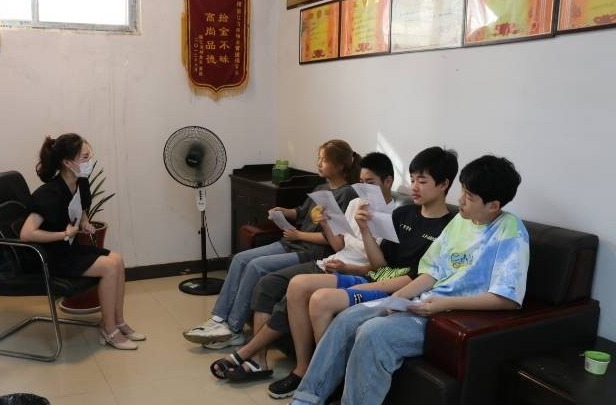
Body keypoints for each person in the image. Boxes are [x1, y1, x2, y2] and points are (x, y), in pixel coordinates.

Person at [290, 155, 529, 405]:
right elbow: (431, 271)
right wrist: (397, 298)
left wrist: (444, 304)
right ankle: (307, 398)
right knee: (348, 318)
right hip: (421, 301)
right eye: (462, 192)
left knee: (373, 333)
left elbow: (507, 298)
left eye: (469, 197)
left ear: (493, 205)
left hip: (446, 317)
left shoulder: (510, 231)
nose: (460, 201)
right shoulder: (460, 221)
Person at [212, 152, 398, 383]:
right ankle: (258, 360)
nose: (363, 189)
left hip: (353, 270)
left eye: (370, 183)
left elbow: (380, 267)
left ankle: (254, 356)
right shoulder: (354, 204)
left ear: (388, 182)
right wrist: (325, 223)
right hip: (332, 261)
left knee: (290, 296)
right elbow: (338, 245)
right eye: (360, 182)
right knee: (267, 284)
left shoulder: (395, 216)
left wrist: (358, 244)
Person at [183, 140, 360, 352]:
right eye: (319, 158)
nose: (319, 163)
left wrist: (299, 234)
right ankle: (219, 318)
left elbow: (335, 239)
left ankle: (234, 328)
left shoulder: (347, 194)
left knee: (256, 266)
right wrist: (283, 212)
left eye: (324, 160)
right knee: (240, 258)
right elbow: (301, 212)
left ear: (339, 166)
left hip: (312, 252)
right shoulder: (321, 188)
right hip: (293, 242)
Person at [20, 133, 145, 350]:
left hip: (67, 250)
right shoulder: (49, 194)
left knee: (117, 260)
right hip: (49, 256)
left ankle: (118, 322)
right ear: (68, 163)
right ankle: (109, 330)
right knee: (109, 267)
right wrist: (63, 234)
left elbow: (80, 209)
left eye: (90, 156)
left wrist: (85, 223)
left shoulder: (81, 183)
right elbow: (26, 234)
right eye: (85, 158)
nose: (90, 162)